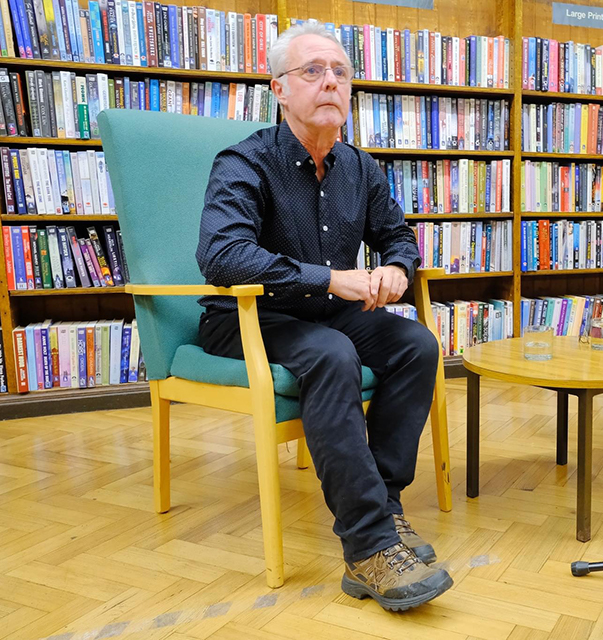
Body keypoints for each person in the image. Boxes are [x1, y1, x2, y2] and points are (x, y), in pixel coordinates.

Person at [195, 23, 452, 610]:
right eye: (313, 71)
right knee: (332, 355)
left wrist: (396, 270)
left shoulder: (360, 167)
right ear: (279, 88)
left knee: (415, 343)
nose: (331, 81)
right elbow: (221, 255)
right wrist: (332, 277)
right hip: (248, 317)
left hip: (325, 314)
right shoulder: (244, 162)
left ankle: (383, 510)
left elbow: (399, 237)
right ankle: (366, 549)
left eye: (340, 71)